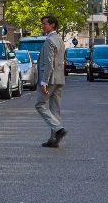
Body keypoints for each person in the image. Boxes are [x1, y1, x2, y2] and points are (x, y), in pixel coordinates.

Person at [35, 15, 66, 148]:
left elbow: (48, 64)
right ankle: (54, 139)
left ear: (53, 25)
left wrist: (44, 82)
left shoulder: (49, 40)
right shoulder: (59, 39)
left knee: (40, 104)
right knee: (55, 109)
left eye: (45, 24)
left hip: (50, 79)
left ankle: (58, 129)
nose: (43, 26)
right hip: (59, 78)